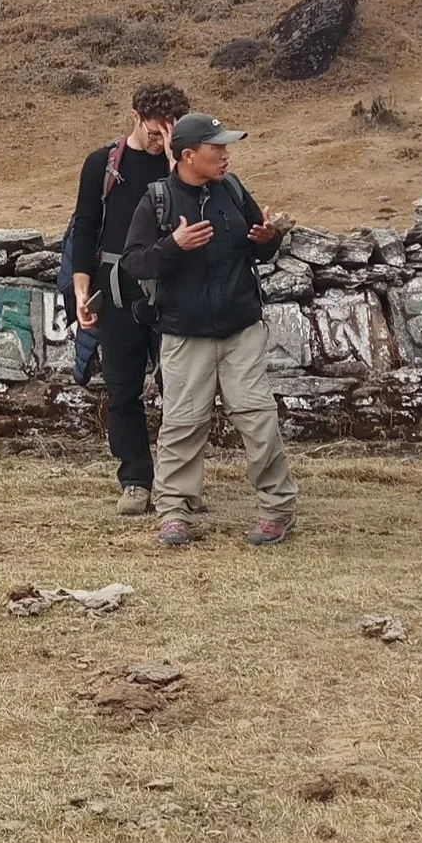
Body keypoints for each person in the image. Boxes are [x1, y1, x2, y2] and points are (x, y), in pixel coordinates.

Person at [120, 112, 297, 547]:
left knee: (258, 419)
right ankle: (175, 511)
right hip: (183, 334)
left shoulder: (233, 191)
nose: (225, 154)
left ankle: (277, 510)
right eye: (216, 148)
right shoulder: (156, 200)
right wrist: (172, 246)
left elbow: (262, 247)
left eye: (226, 146)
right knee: (182, 423)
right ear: (187, 155)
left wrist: (266, 239)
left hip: (241, 330)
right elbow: (135, 262)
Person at [68, 83, 192, 516]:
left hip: (174, 286)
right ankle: (136, 480)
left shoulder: (186, 163)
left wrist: (178, 163)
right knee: (122, 389)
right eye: (155, 133)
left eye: (169, 134)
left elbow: (197, 215)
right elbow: (85, 227)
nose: (161, 142)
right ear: (134, 117)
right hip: (117, 288)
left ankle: (178, 484)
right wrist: (82, 290)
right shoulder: (103, 164)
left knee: (180, 389)